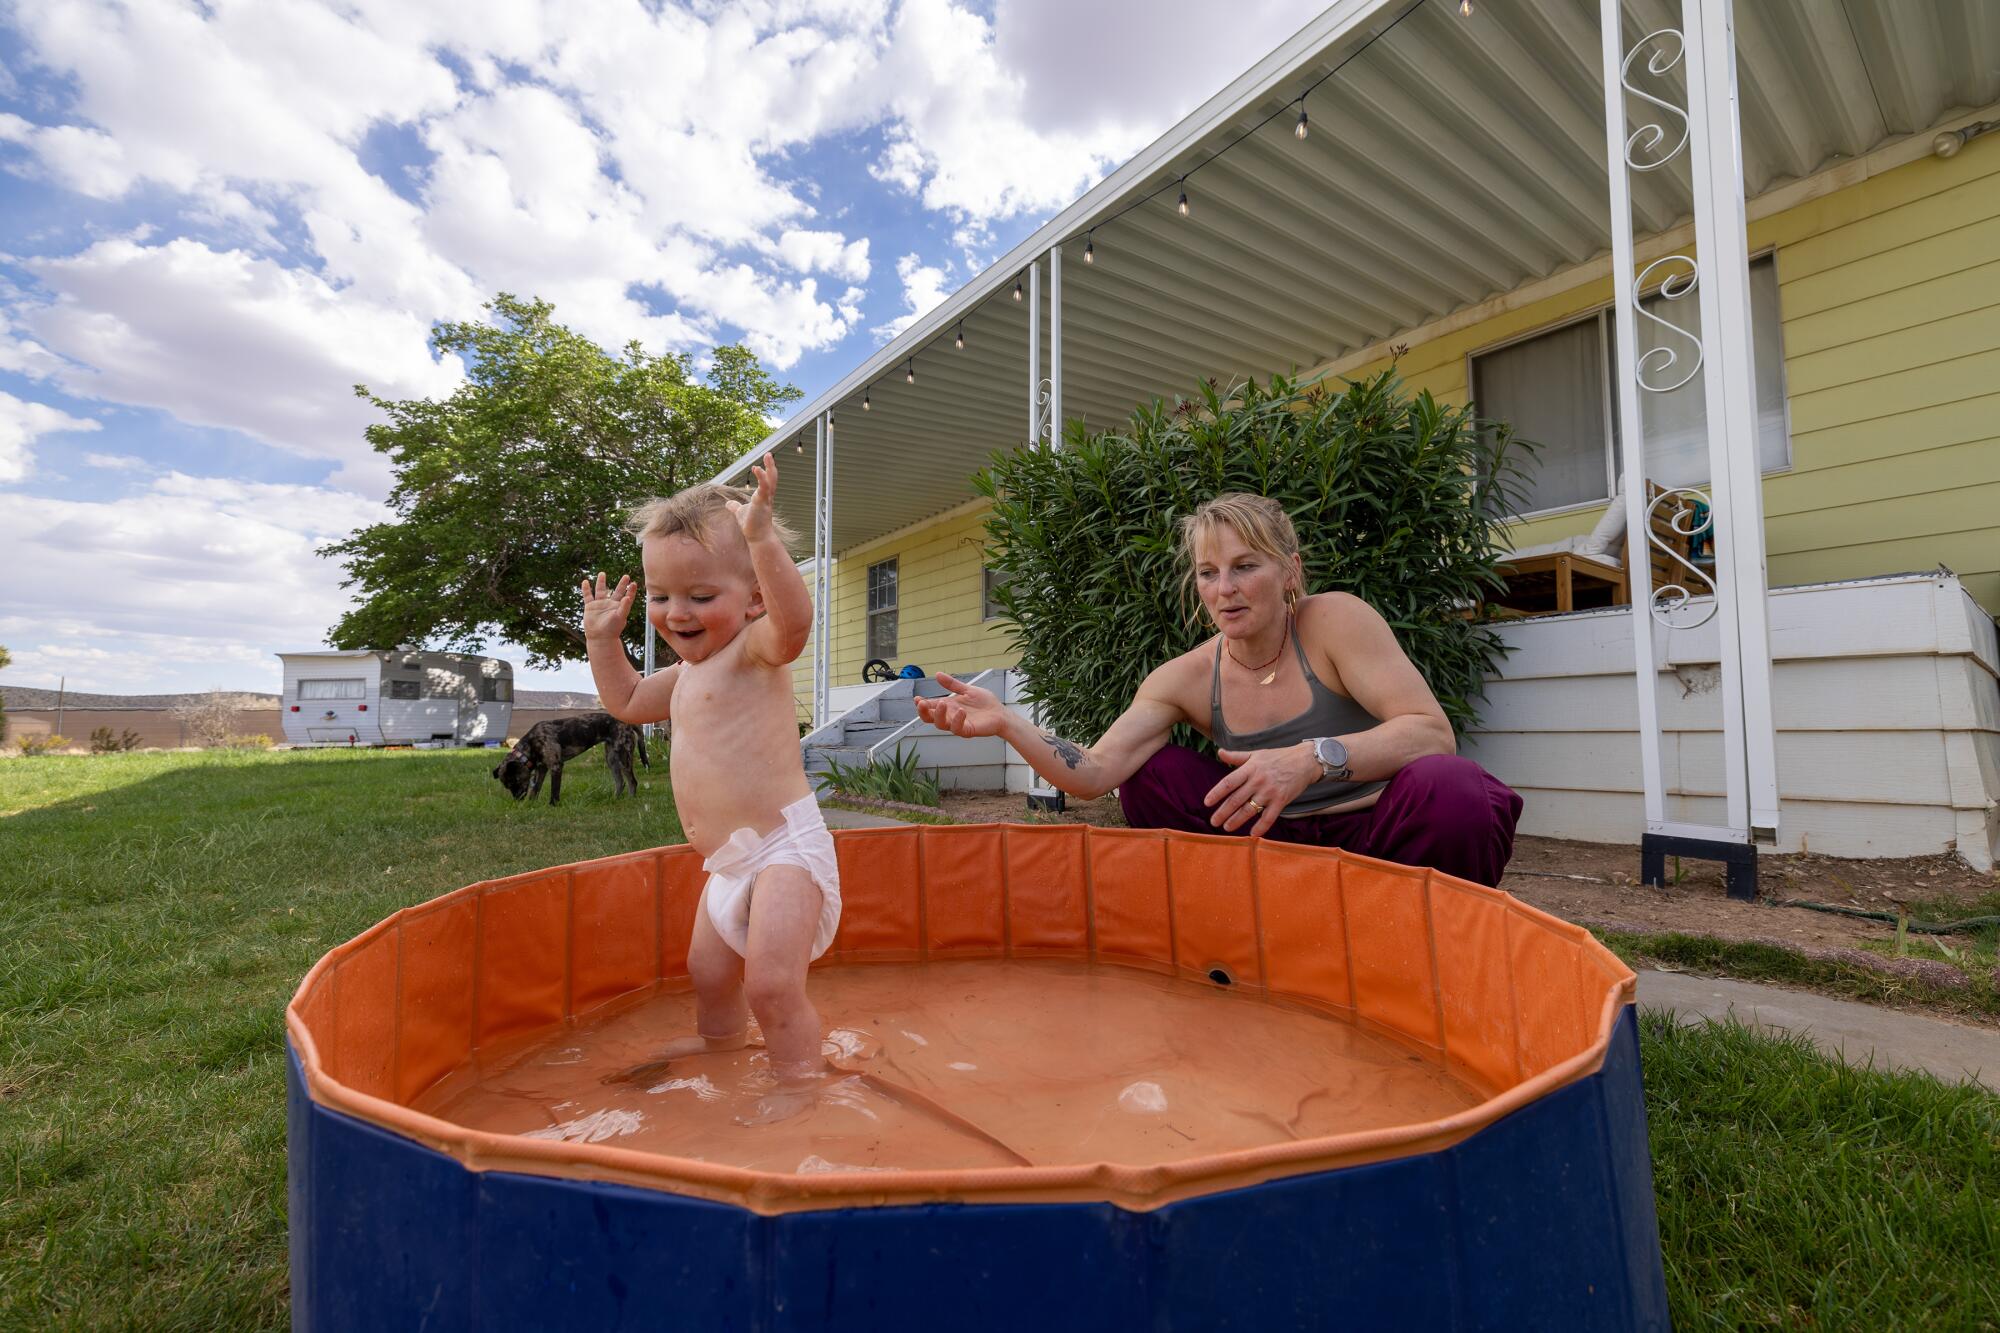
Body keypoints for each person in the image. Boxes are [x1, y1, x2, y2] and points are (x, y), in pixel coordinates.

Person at [915, 493, 1522, 886]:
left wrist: (1308, 759)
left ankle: (1438, 943)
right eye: (1209, 573)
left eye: (1245, 566)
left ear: (1290, 570)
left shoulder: (1334, 620)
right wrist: (1008, 723)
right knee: (1153, 774)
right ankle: (1231, 927)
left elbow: (1430, 732)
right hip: (1266, 850)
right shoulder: (1183, 676)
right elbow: (1095, 770)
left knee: (1452, 786)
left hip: (1374, 838)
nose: (1225, 587)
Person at [581, 453, 840, 1121]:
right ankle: (720, 1042)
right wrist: (603, 641)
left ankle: (796, 1081)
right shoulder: (684, 675)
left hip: (784, 846)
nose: (677, 612)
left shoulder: (755, 650)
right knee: (709, 971)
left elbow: (797, 622)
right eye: (662, 596)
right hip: (727, 862)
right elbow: (629, 700)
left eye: (701, 596)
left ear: (753, 596)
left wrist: (760, 540)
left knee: (773, 983)